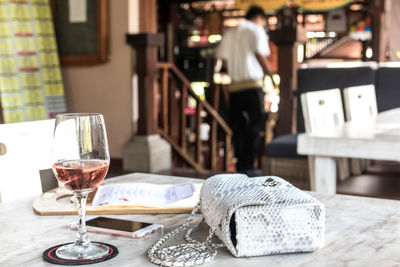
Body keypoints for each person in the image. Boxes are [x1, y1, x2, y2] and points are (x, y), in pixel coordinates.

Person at [217, 5, 273, 177]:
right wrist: (269, 76)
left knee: (238, 127)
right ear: (259, 18)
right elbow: (260, 55)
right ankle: (248, 165)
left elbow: (224, 63)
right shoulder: (256, 30)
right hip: (252, 85)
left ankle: (241, 165)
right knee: (255, 125)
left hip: (234, 87)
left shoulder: (230, 33)